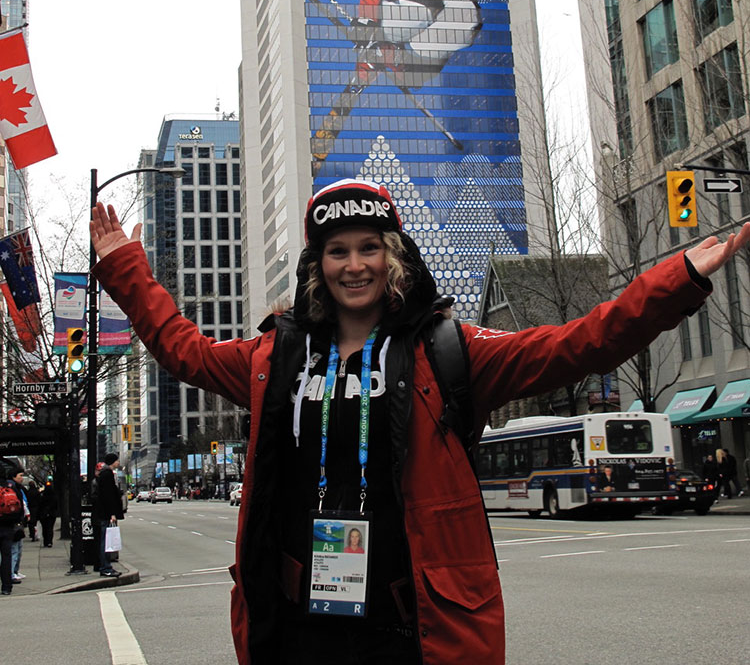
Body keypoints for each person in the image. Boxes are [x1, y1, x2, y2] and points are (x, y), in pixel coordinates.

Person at [90, 179, 750, 665]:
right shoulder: (277, 355)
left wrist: (679, 279)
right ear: (317, 264)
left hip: (411, 629)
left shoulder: (448, 350)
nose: (354, 265)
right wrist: (126, 268)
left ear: (394, 255)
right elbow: (183, 350)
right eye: (338, 250)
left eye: (370, 247)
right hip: (297, 627)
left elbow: (582, 342)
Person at [92, 453, 124, 577]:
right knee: (106, 541)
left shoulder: (104, 474)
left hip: (103, 512)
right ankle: (105, 566)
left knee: (105, 540)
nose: (118, 463)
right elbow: (108, 495)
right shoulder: (107, 474)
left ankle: (105, 566)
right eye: (117, 461)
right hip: (106, 513)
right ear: (112, 462)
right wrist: (112, 513)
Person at [0, 461, 26, 595]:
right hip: (8, 526)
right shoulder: (12, 487)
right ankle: (6, 586)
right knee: (7, 556)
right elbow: (19, 507)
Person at [37, 478, 58, 548]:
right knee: (50, 528)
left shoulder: (42, 496)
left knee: (45, 528)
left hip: (43, 514)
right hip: (52, 514)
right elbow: (56, 505)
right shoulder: (54, 496)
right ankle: (49, 541)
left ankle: (46, 541)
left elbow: (39, 505)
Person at [26, 477, 40, 542]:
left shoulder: (28, 492)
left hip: (30, 508)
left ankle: (32, 534)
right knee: (35, 523)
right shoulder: (36, 492)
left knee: (30, 523)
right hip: (36, 508)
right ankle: (36, 534)